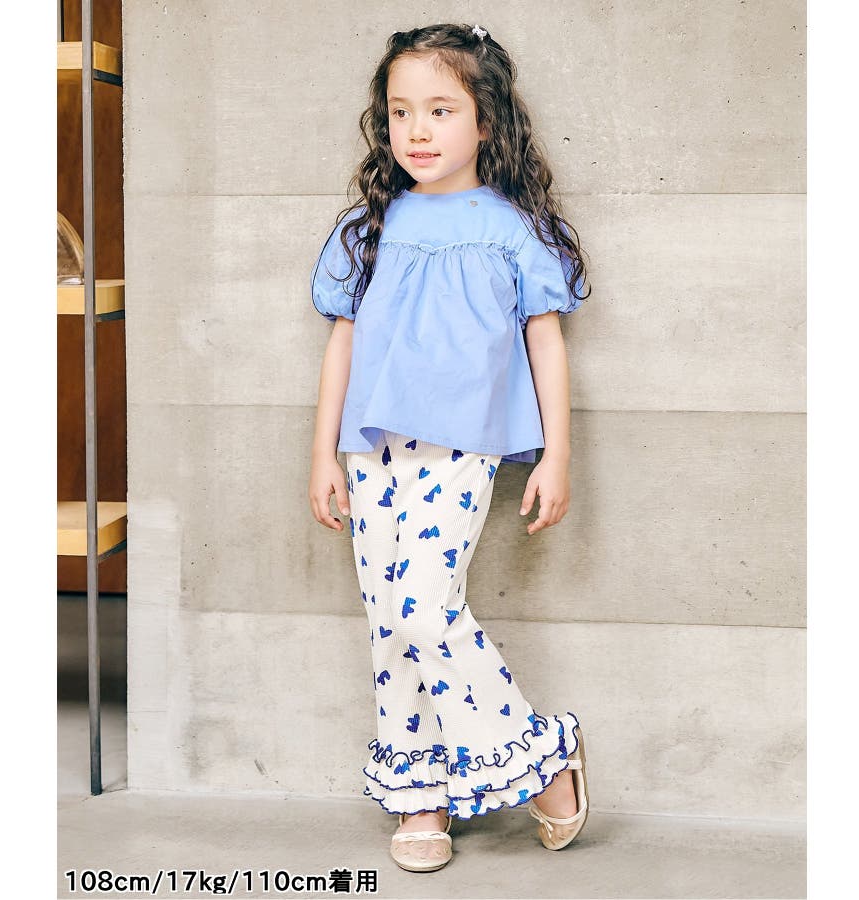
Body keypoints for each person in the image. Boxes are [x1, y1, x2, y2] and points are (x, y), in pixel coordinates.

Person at [307, 22, 593, 873]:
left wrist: (557, 455)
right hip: (370, 447)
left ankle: (542, 760)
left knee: (427, 609)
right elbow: (343, 342)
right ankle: (419, 794)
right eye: (401, 112)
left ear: (485, 120)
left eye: (440, 109)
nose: (418, 131)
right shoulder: (371, 226)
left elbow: (546, 342)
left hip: (461, 447)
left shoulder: (513, 229)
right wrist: (321, 453)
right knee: (389, 621)